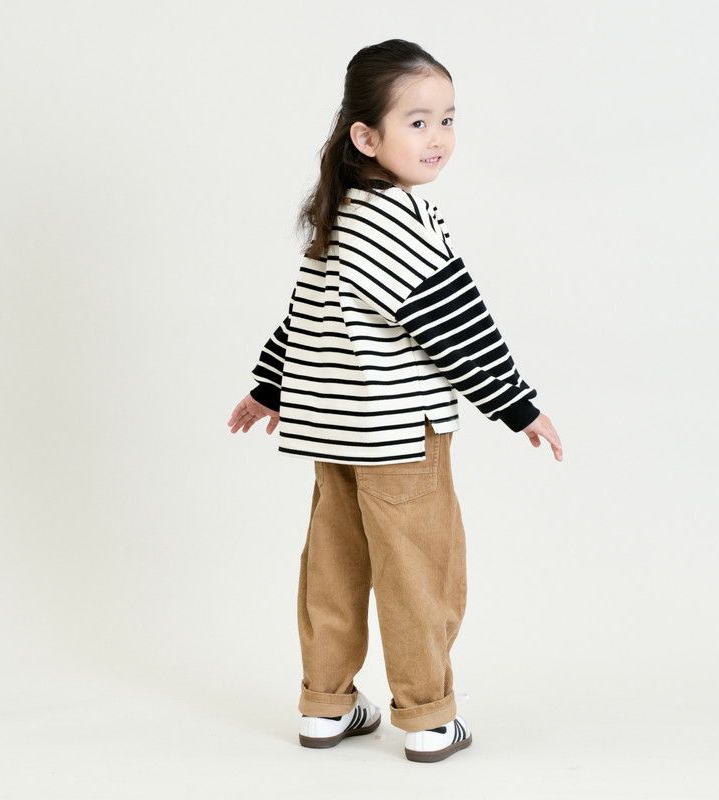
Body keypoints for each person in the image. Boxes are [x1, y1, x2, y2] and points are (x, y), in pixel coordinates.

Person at [227, 38, 563, 763]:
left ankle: (326, 706)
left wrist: (268, 387)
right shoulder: (399, 219)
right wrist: (516, 404)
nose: (438, 136)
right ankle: (428, 717)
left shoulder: (339, 215)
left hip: (334, 436)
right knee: (420, 575)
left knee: (334, 570)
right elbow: (457, 326)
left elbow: (307, 317)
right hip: (403, 438)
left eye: (448, 119)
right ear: (366, 136)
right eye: (417, 122)